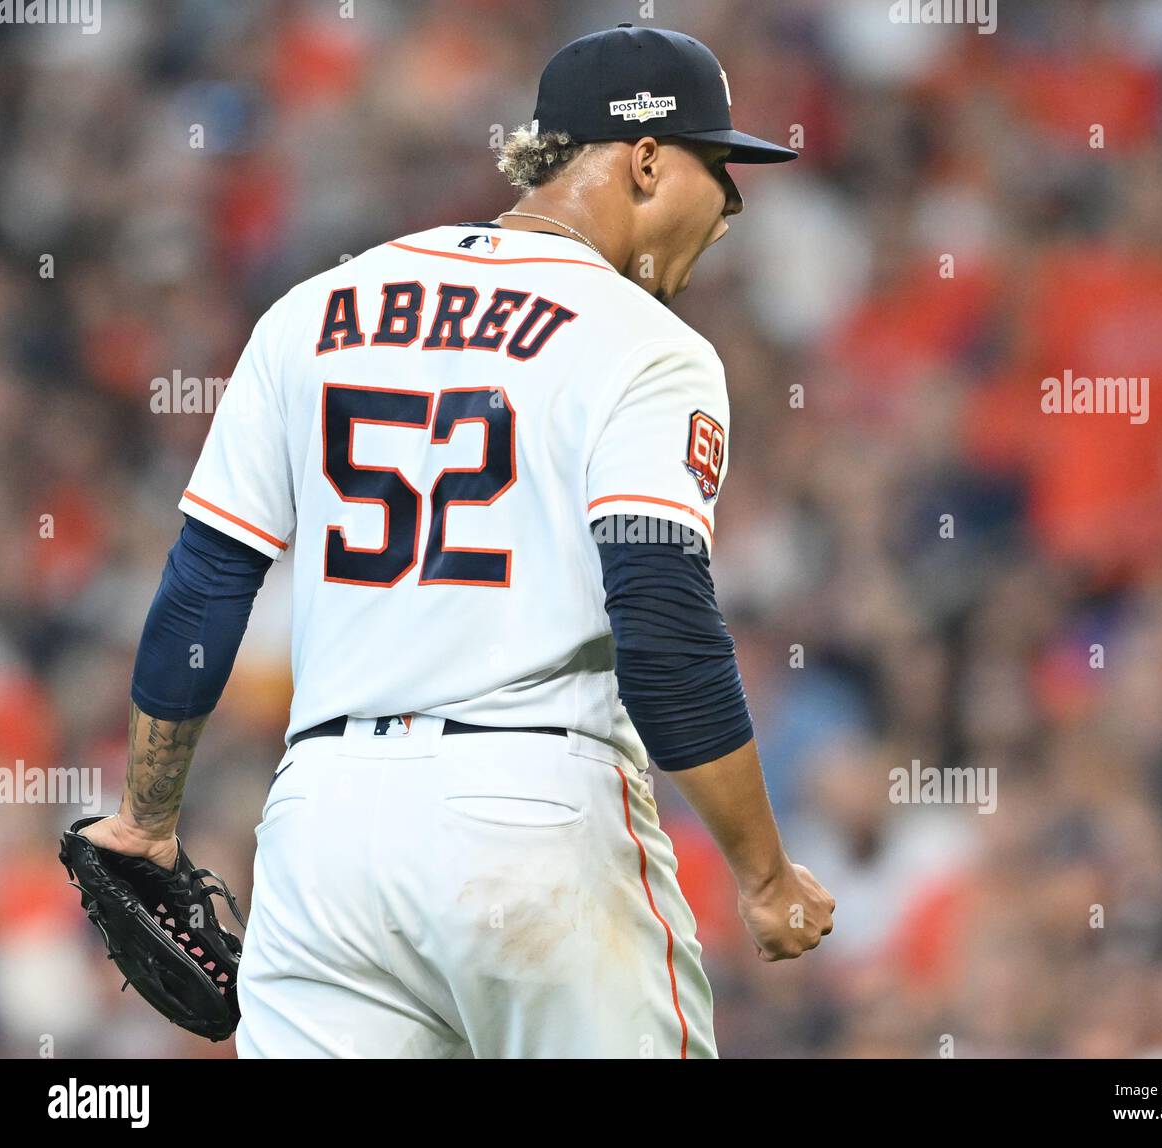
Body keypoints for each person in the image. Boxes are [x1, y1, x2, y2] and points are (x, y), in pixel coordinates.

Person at [78, 23, 834, 1059]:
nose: (734, 206)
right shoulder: (644, 343)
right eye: (721, 169)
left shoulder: (313, 310)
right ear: (648, 158)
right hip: (535, 813)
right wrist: (761, 873)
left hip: (324, 832)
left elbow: (204, 587)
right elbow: (662, 630)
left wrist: (145, 818)